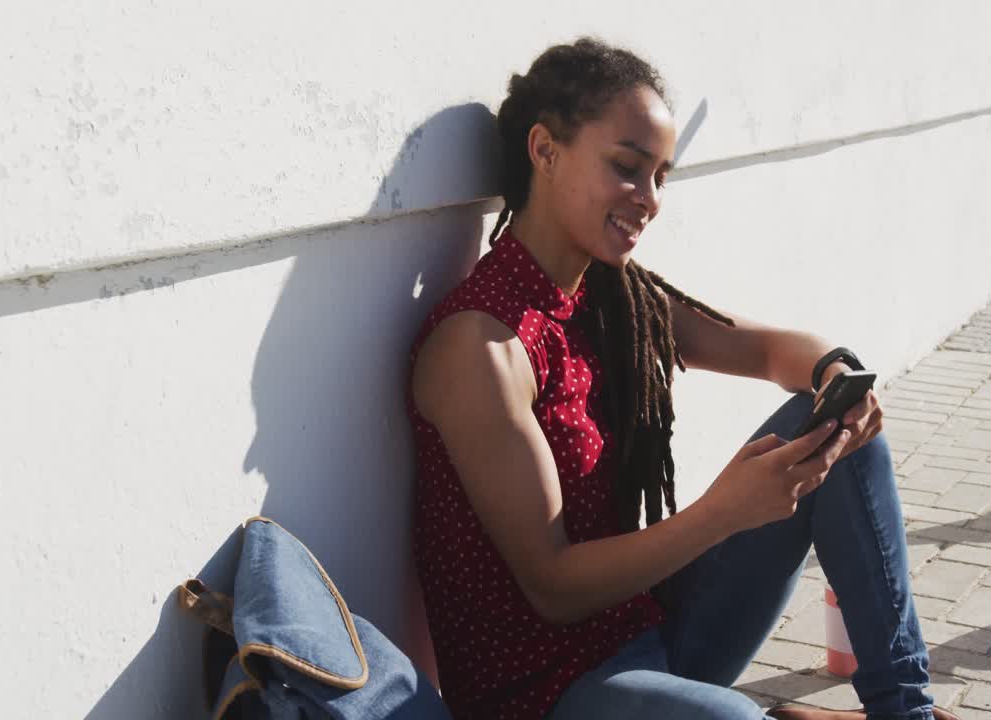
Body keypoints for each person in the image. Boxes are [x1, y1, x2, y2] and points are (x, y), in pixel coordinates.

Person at [407, 37, 958, 720]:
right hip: (544, 696)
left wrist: (832, 371)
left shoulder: (612, 297)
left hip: (644, 635)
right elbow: (551, 587)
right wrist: (723, 511)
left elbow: (768, 350)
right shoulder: (480, 345)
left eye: (661, 176)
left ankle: (905, 710)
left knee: (840, 430)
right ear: (544, 150)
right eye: (629, 168)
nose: (649, 199)